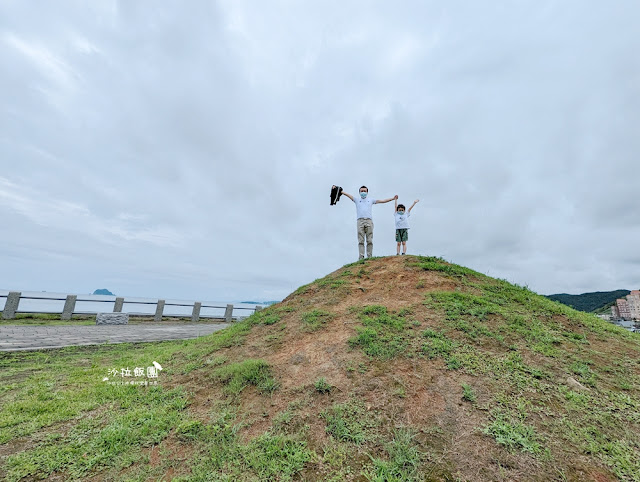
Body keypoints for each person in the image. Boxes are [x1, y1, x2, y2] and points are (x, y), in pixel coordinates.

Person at [340, 186, 397, 259]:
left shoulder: (370, 200)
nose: (363, 192)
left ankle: (369, 256)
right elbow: (349, 195)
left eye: (364, 191)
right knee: (361, 240)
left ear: (367, 192)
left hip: (369, 221)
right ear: (359, 192)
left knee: (369, 240)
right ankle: (361, 257)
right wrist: (341, 192)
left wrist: (393, 198)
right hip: (360, 221)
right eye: (361, 191)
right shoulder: (357, 200)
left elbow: (382, 201)